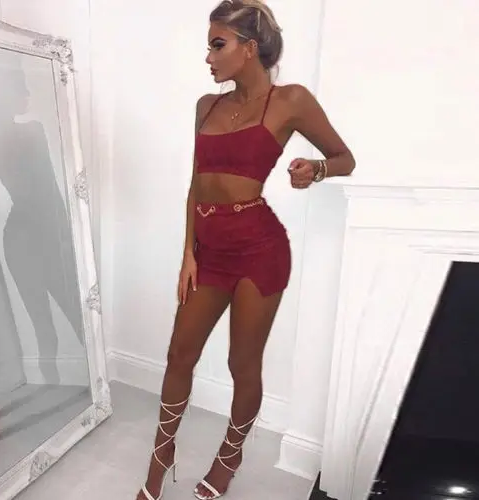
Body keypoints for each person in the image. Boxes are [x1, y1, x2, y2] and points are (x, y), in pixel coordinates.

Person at [137, 1, 355, 499]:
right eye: (208, 46)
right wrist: (188, 254)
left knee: (242, 363)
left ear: (250, 48)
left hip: (260, 250)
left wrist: (317, 169)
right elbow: (196, 183)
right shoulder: (206, 106)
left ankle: (229, 456)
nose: (208, 57)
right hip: (209, 252)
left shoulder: (290, 100)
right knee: (179, 354)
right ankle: (160, 457)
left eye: (218, 45)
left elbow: (345, 157)